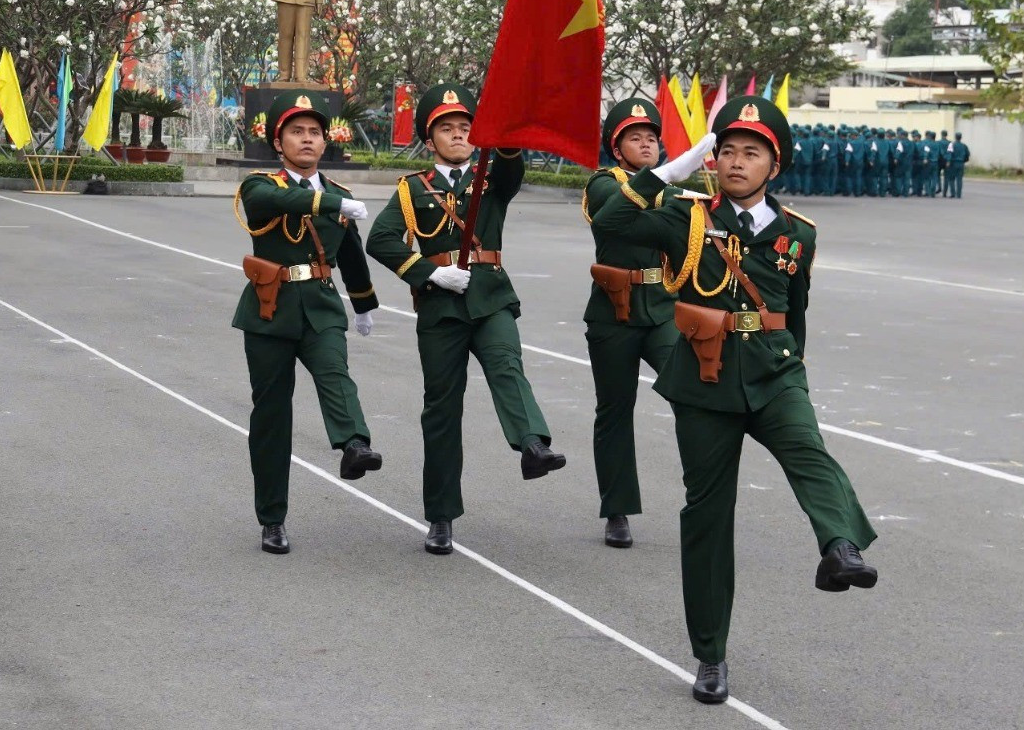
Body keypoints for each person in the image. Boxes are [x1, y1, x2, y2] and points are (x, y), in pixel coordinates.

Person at [592, 95, 878, 705]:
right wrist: (665, 172)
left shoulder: (798, 233)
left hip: (775, 371)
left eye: (752, 153)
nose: (737, 162)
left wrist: (794, 371)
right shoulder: (684, 216)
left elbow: (796, 312)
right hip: (705, 381)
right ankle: (710, 654)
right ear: (713, 160)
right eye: (727, 151)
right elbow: (611, 225)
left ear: (775, 165)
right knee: (707, 516)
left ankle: (840, 547)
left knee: (808, 450)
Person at [365, 83, 565, 555]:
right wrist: (430, 273)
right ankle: (441, 516)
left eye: (465, 127)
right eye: (447, 128)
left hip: (491, 296)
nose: (458, 135)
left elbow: (512, 167)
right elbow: (381, 240)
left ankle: (532, 445)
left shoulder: (491, 178)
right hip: (441, 306)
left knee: (507, 367)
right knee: (441, 409)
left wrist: (504, 129)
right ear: (429, 139)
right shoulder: (413, 188)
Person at [231, 89, 384, 555]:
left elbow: (351, 255)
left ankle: (354, 444)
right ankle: (272, 519)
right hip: (270, 308)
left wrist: (363, 303)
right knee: (272, 416)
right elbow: (273, 201)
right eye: (296, 132)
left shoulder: (340, 197)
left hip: (319, 304)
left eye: (314, 132)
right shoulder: (260, 186)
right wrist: (327, 205)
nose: (307, 139)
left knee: (335, 374)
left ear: (325, 141)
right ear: (278, 143)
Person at [581, 98, 679, 549]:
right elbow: (616, 212)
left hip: (662, 309)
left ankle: (703, 495)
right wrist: (664, 186)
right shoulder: (603, 183)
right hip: (613, 312)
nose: (646, 144)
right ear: (617, 149)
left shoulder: (670, 188)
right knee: (615, 411)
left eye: (651, 138)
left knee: (692, 393)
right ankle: (617, 510)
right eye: (634, 138)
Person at [946, 132, 970, 198]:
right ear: (961, 137)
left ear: (955, 137)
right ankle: (959, 194)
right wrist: (964, 160)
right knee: (959, 179)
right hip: (961, 163)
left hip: (953, 163)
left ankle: (953, 193)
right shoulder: (964, 146)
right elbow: (967, 154)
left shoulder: (951, 145)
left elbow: (949, 154)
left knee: (951, 179)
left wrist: (948, 161)